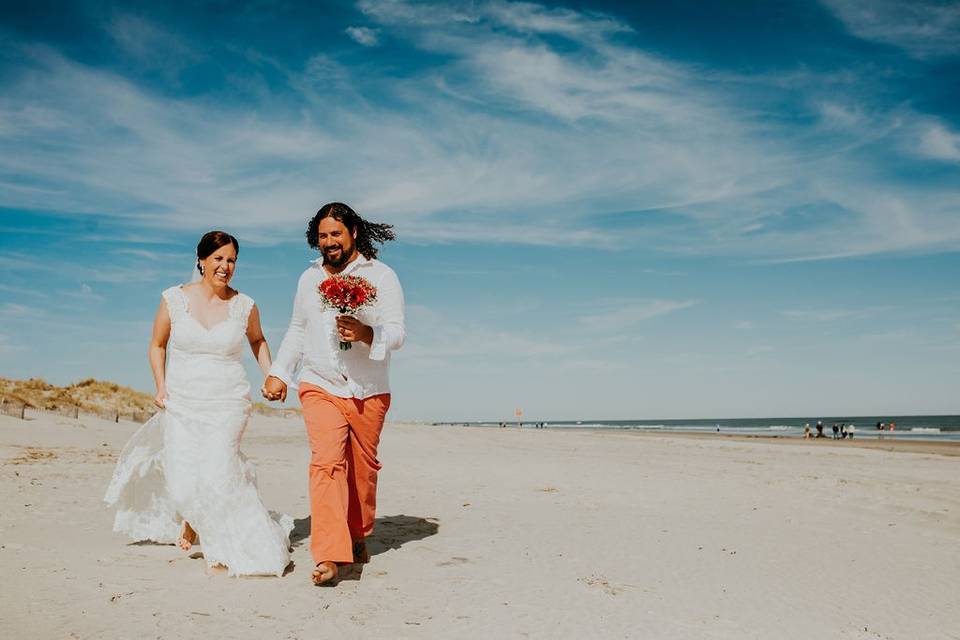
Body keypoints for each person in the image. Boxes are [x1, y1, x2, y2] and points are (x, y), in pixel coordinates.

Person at [104, 231, 293, 576]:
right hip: (183, 400)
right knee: (185, 478)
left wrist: (271, 374)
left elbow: (258, 340)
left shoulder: (245, 305)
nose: (225, 266)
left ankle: (220, 549)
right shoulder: (173, 299)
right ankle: (192, 516)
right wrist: (160, 386)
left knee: (220, 469)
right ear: (202, 260)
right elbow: (157, 345)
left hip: (228, 400)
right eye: (219, 258)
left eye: (232, 259)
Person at [263, 203, 405, 586]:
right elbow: (296, 329)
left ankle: (357, 532)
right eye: (323, 236)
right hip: (319, 382)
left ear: (353, 232)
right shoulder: (308, 279)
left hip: (369, 388)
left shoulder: (382, 276)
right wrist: (279, 373)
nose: (329, 243)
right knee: (326, 464)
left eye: (336, 235)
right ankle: (329, 554)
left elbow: (397, 332)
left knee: (362, 471)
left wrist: (365, 333)